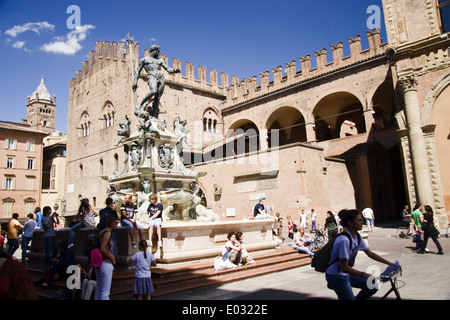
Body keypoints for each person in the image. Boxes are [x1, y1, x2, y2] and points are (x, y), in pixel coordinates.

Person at [325, 209, 398, 300]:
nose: (362, 222)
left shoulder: (357, 236)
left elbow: (370, 254)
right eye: (359, 220)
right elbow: (344, 267)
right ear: (350, 223)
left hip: (344, 273)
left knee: (373, 286)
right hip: (336, 275)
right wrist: (364, 274)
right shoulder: (344, 240)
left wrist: (391, 264)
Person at [133, 44, 181, 118]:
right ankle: (140, 104)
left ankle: (154, 116)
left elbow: (168, 69)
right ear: (153, 50)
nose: (158, 53)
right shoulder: (144, 60)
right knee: (153, 91)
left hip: (161, 77)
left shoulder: (160, 61)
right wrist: (135, 82)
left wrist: (175, 70)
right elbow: (137, 72)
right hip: (151, 76)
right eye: (157, 51)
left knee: (157, 98)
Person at [94, 216, 119, 300]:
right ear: (110, 222)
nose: (116, 225)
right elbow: (103, 249)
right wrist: (112, 258)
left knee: (99, 288)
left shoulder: (101, 232)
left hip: (98, 263)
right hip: (106, 262)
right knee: (105, 291)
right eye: (115, 223)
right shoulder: (107, 233)